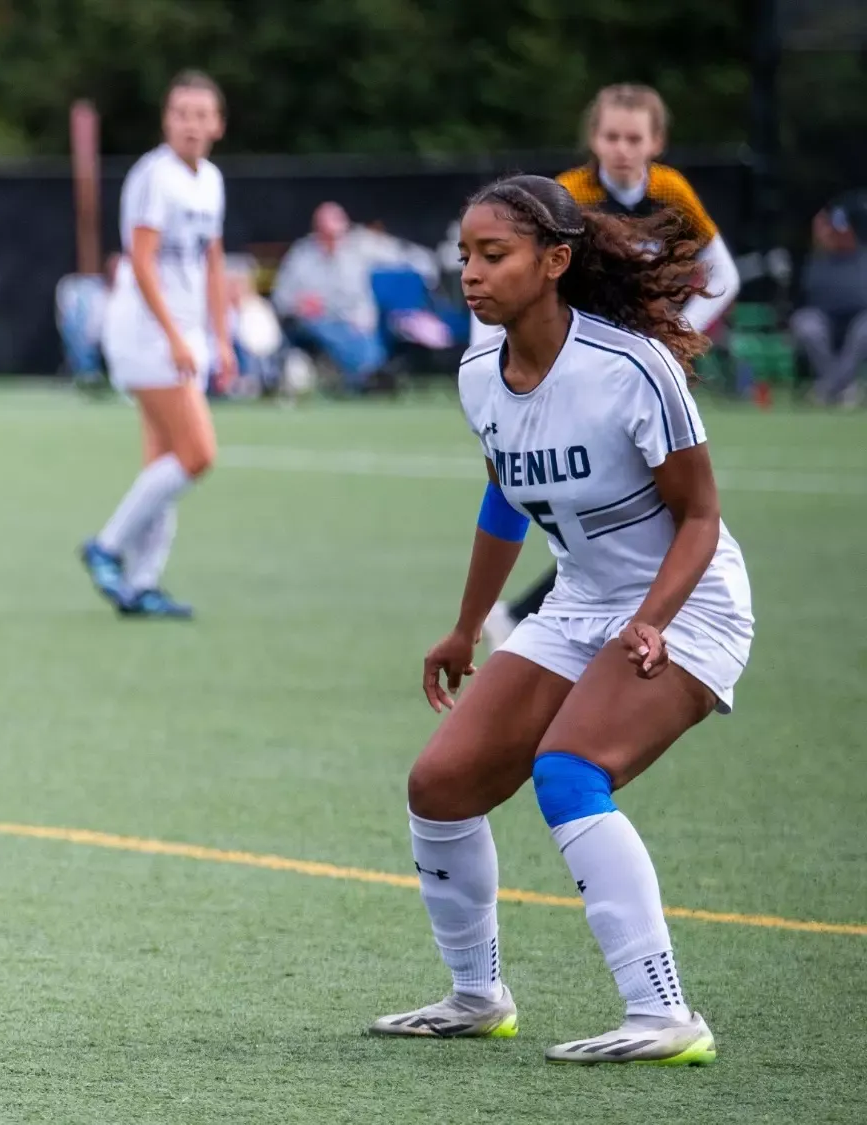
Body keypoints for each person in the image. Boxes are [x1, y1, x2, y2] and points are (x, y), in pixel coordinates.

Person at [370, 175, 751, 1065]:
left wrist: (652, 621)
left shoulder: (633, 368)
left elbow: (700, 518)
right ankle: (477, 997)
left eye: (493, 255)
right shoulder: (478, 375)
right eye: (465, 255)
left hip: (689, 604)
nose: (471, 273)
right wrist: (466, 626)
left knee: (569, 773)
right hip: (580, 602)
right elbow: (505, 497)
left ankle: (664, 1013)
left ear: (554, 261)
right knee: (440, 786)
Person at [482, 84, 742, 648]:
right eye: (611, 136)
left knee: (649, 510)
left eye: (633, 137)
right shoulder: (569, 195)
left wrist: (676, 339)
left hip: (644, 377)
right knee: (617, 506)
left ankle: (531, 615)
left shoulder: (671, 192)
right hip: (584, 374)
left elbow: (724, 272)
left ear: (656, 142)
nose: (622, 148)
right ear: (593, 140)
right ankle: (553, 617)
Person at [80, 71, 233, 620]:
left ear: (218, 124)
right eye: (181, 114)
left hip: (184, 334)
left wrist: (221, 337)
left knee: (165, 464)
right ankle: (107, 546)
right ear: (166, 121)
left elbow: (211, 261)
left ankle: (142, 584)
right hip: (146, 333)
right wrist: (175, 337)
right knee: (198, 455)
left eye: (201, 115)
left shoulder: (210, 179)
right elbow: (141, 263)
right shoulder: (155, 176)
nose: (191, 124)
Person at [270, 202, 390, 391]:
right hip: (312, 322)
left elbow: (362, 298)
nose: (333, 240)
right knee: (329, 329)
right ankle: (363, 376)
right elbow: (280, 298)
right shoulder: (301, 256)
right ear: (318, 231)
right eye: (328, 235)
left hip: (349, 319)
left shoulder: (353, 256)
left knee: (364, 331)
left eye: (337, 235)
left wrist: (363, 317)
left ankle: (374, 373)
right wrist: (298, 304)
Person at [790, 193, 867, 406]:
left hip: (858, 320)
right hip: (826, 321)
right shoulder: (818, 260)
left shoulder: (862, 258)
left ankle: (829, 388)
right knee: (805, 323)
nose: (833, 235)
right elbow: (807, 299)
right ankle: (844, 389)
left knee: (864, 328)